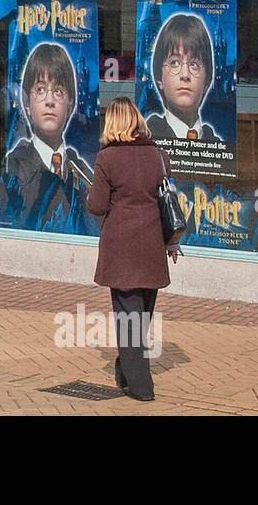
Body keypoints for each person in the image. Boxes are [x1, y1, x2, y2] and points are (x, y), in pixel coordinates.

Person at [86, 97, 182, 401]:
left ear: (112, 123)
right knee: (140, 318)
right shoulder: (158, 156)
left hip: (121, 249)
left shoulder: (107, 158)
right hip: (152, 246)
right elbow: (168, 201)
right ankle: (127, 370)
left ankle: (142, 388)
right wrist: (172, 241)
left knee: (129, 320)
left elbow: (97, 205)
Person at [0, 43, 93, 219]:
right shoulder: (16, 161)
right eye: (40, 90)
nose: (49, 101)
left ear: (71, 103)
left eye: (58, 91)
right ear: (27, 104)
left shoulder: (80, 168)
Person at [146, 13, 221, 142]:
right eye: (174, 63)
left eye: (194, 64)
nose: (185, 75)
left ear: (207, 81)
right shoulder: (147, 138)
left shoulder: (217, 145)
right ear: (159, 79)